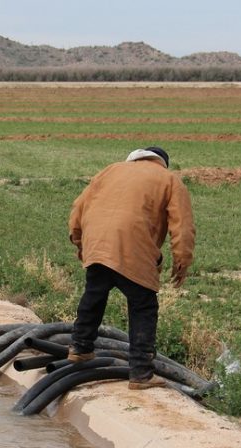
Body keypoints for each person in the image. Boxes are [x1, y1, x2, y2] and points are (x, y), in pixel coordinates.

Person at [67, 146, 195, 390]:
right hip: (133, 248)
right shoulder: (169, 180)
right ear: (162, 163)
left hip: (98, 244)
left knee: (94, 294)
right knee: (143, 307)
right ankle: (141, 373)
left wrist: (78, 240)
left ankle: (79, 348)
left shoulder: (110, 170)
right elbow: (183, 227)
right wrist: (182, 261)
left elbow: (78, 209)